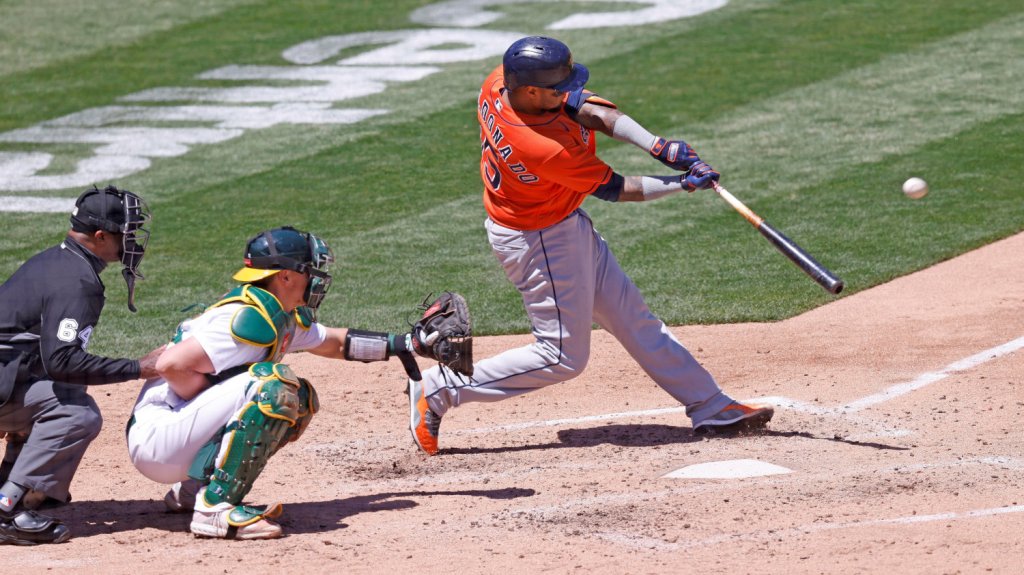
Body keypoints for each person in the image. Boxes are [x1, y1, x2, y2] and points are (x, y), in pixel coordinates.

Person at [406, 36, 774, 456]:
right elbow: (619, 188)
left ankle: (711, 405)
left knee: (632, 318)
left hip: (561, 225)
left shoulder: (499, 83)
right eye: (556, 87)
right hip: (539, 241)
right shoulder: (539, 148)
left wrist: (658, 146)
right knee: (561, 355)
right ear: (530, 91)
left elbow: (584, 106)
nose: (567, 91)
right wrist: (682, 184)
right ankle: (438, 389)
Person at [127, 226, 441, 540]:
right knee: (274, 389)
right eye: (310, 270)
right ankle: (215, 509)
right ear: (286, 276)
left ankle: (193, 489)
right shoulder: (244, 321)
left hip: (177, 433)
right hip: (158, 439)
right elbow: (170, 365)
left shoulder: (276, 314)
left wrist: (406, 344)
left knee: (299, 398)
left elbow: (333, 342)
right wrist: (221, 396)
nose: (317, 278)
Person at [0, 185, 161, 545]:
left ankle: (16, 485)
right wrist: (140, 367)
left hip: (6, 373)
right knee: (76, 413)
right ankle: (8, 510)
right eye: (126, 233)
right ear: (101, 236)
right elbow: (62, 361)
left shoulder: (57, 260)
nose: (132, 242)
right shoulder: (77, 281)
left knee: (65, 388)